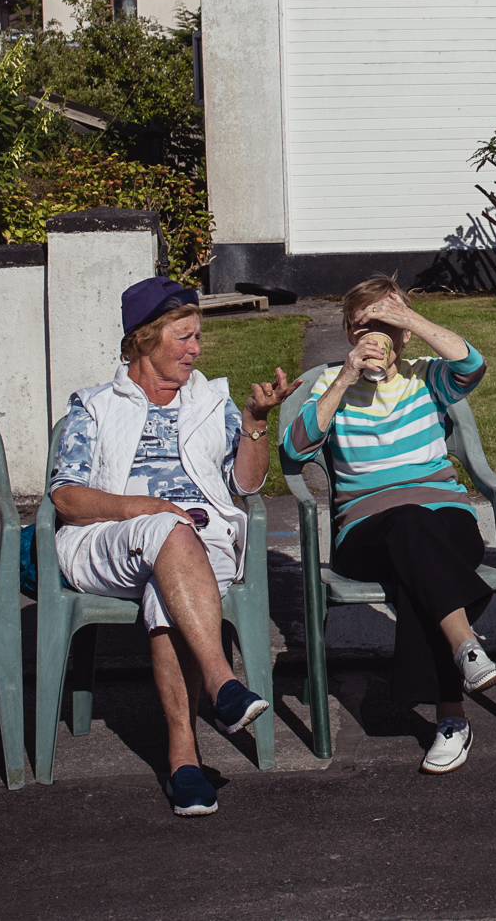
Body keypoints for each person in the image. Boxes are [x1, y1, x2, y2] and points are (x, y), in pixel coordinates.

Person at [50, 276, 291, 817]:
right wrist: (146, 506)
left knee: (172, 568)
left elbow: (247, 486)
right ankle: (222, 682)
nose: (196, 349)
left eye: (198, 337)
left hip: (202, 539)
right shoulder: (92, 406)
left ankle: (183, 757)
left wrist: (254, 424)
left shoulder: (212, 401)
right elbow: (66, 497)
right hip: (106, 540)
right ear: (144, 339)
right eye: (183, 337)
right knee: (166, 531)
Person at [283, 276, 496, 775]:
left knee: (418, 559)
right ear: (349, 333)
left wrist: (411, 319)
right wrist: (342, 379)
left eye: (386, 325)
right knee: (408, 527)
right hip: (364, 528)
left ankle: (454, 713)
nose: (376, 336)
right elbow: (295, 450)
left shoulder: (426, 377)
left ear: (402, 334)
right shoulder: (327, 386)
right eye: (365, 326)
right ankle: (462, 664)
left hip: (447, 519)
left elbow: (473, 365)